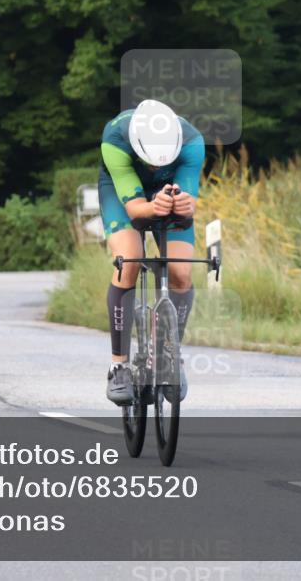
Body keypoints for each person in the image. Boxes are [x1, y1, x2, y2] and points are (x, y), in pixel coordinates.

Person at [99, 99, 205, 405]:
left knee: (181, 272)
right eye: (151, 160)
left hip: (167, 189)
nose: (156, 167)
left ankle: (171, 355)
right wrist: (152, 206)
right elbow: (135, 210)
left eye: (163, 160)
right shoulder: (115, 138)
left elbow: (189, 204)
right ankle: (118, 365)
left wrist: (183, 204)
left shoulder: (192, 142)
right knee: (128, 263)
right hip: (123, 194)